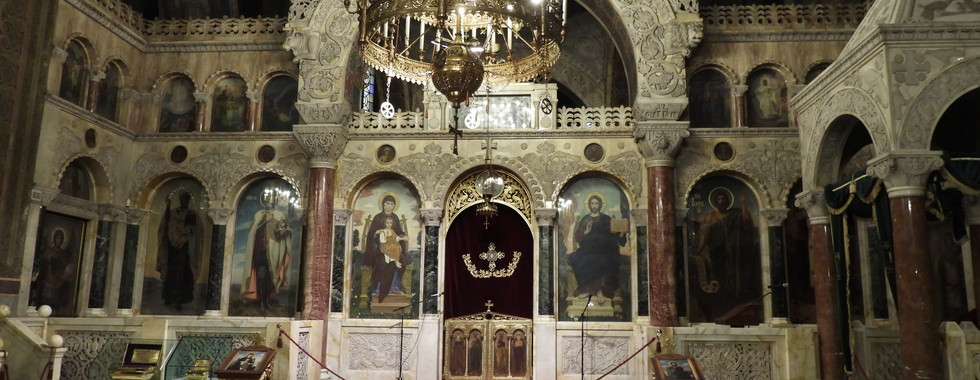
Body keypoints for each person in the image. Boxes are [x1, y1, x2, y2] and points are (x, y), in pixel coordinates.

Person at [688, 188, 759, 321]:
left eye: (723, 199)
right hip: (716, 253)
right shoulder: (710, 217)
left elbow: (745, 221)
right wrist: (698, 250)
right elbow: (705, 236)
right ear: (715, 202)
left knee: (733, 277)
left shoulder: (735, 214)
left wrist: (743, 203)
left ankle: (733, 300)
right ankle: (719, 304)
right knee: (718, 277)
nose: (721, 201)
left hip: (733, 253)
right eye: (719, 200)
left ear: (727, 201)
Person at [567, 194, 627, 305]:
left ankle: (599, 291)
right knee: (579, 259)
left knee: (602, 259)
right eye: (592, 203)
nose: (594, 205)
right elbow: (578, 237)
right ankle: (589, 289)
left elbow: (614, 236)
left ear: (600, 205)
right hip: (588, 249)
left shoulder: (606, 219)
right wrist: (586, 231)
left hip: (605, 249)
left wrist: (621, 234)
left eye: (596, 203)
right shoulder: (585, 219)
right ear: (589, 205)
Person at [242, 190, 292, 311]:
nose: (269, 201)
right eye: (267, 198)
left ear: (275, 200)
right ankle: (261, 300)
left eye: (272, 199)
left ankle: (267, 300)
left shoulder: (279, 215)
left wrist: (281, 228)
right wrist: (265, 221)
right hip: (260, 250)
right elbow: (253, 231)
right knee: (261, 275)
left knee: (270, 276)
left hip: (273, 251)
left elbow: (281, 234)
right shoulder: (258, 214)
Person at [362, 195, 410, 303]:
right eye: (387, 203)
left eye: (392, 204)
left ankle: (395, 287)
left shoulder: (395, 218)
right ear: (383, 204)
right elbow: (371, 235)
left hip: (392, 247)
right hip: (378, 248)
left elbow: (398, 232)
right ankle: (379, 288)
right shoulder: (377, 217)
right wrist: (376, 233)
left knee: (402, 261)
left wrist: (403, 236)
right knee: (381, 262)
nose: (389, 206)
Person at [157, 192, 201, 311]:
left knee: (182, 274)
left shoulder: (192, 214)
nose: (184, 201)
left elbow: (194, 230)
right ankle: (169, 297)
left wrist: (184, 232)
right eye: (182, 199)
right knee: (171, 272)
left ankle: (179, 300)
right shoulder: (172, 213)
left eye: (186, 199)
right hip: (172, 248)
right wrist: (167, 207)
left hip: (185, 248)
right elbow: (167, 226)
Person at [32, 228, 75, 315]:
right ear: (53, 239)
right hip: (48, 279)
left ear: (62, 240)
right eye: (56, 238)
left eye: (60, 238)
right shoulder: (48, 252)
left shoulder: (64, 254)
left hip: (59, 280)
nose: (58, 240)